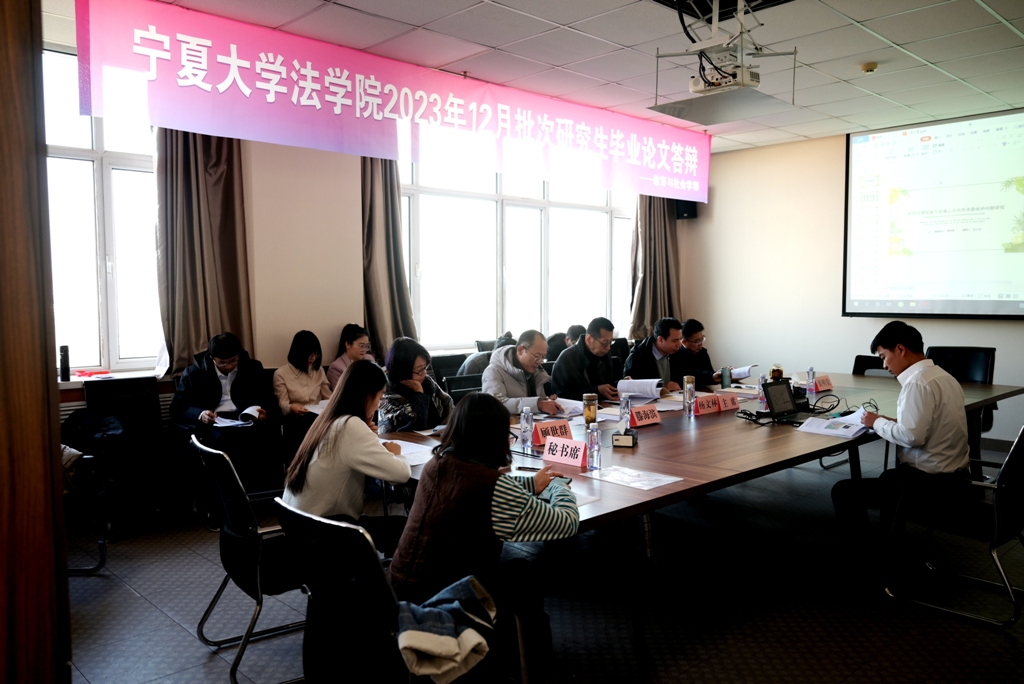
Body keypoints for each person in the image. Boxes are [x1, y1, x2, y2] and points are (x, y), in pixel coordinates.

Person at [388, 393, 578, 675]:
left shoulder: (436, 465)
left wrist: (530, 484)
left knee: (513, 568)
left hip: (400, 591)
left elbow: (478, 487)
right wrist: (558, 488)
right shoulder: (491, 486)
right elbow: (566, 523)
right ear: (494, 438)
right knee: (522, 573)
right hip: (446, 598)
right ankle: (536, 666)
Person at [831, 321, 971, 542]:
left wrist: (877, 421)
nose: (884, 365)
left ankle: (862, 550)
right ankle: (889, 536)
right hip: (956, 478)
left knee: (843, 490)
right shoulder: (944, 377)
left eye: (883, 356)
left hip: (928, 484)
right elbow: (930, 423)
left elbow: (911, 437)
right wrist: (893, 422)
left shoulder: (917, 383)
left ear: (900, 349)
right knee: (889, 477)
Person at [283, 359, 411, 555]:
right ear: (367, 395)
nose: (378, 406)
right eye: (379, 396)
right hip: (326, 531)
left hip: (301, 526)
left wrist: (368, 436)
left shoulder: (327, 419)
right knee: (410, 529)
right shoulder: (350, 426)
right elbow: (400, 474)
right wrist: (395, 454)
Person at [170, 332, 279, 491]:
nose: (228, 366)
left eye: (233, 360)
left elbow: (268, 399)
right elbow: (178, 407)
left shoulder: (252, 368)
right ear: (212, 358)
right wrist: (201, 414)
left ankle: (259, 492)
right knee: (224, 441)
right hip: (214, 421)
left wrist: (265, 413)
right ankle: (230, 492)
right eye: (222, 362)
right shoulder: (194, 373)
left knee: (264, 438)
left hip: (245, 418)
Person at [378, 337, 455, 434]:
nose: (424, 373)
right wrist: (419, 393)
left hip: (433, 437)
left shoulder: (426, 381)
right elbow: (413, 426)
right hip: (403, 441)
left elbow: (447, 403)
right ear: (402, 371)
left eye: (425, 367)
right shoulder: (387, 390)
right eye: (419, 370)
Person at [274, 331, 332, 455]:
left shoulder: (319, 371)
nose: (313, 358)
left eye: (316, 354)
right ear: (298, 353)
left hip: (318, 419)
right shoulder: (281, 374)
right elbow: (283, 405)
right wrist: (292, 407)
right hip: (295, 421)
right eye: (309, 354)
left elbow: (329, 397)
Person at [482, 330, 563, 415]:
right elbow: (496, 404)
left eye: (543, 357)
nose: (539, 362)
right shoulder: (493, 371)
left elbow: (536, 402)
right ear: (520, 350)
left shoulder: (536, 371)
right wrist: (538, 404)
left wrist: (546, 401)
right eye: (536, 356)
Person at [550, 317, 620, 401]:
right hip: (577, 407)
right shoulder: (567, 359)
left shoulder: (604, 354)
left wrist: (621, 384)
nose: (608, 348)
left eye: (610, 342)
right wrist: (597, 391)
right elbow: (562, 397)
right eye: (604, 343)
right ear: (588, 339)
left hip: (603, 405)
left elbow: (608, 385)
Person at [622, 317, 686, 391]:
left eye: (680, 339)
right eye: (675, 340)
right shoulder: (638, 356)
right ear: (660, 340)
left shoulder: (677, 352)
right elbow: (630, 387)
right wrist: (661, 389)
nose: (679, 344)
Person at [327, 323, 375, 391]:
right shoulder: (336, 368)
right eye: (361, 346)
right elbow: (341, 394)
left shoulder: (369, 359)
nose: (364, 350)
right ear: (348, 344)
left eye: (367, 346)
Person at [676, 319, 722, 389]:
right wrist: (711, 376)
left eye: (702, 339)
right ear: (684, 342)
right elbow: (691, 374)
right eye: (697, 341)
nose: (701, 344)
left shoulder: (702, 352)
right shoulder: (677, 355)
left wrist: (721, 374)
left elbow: (710, 374)